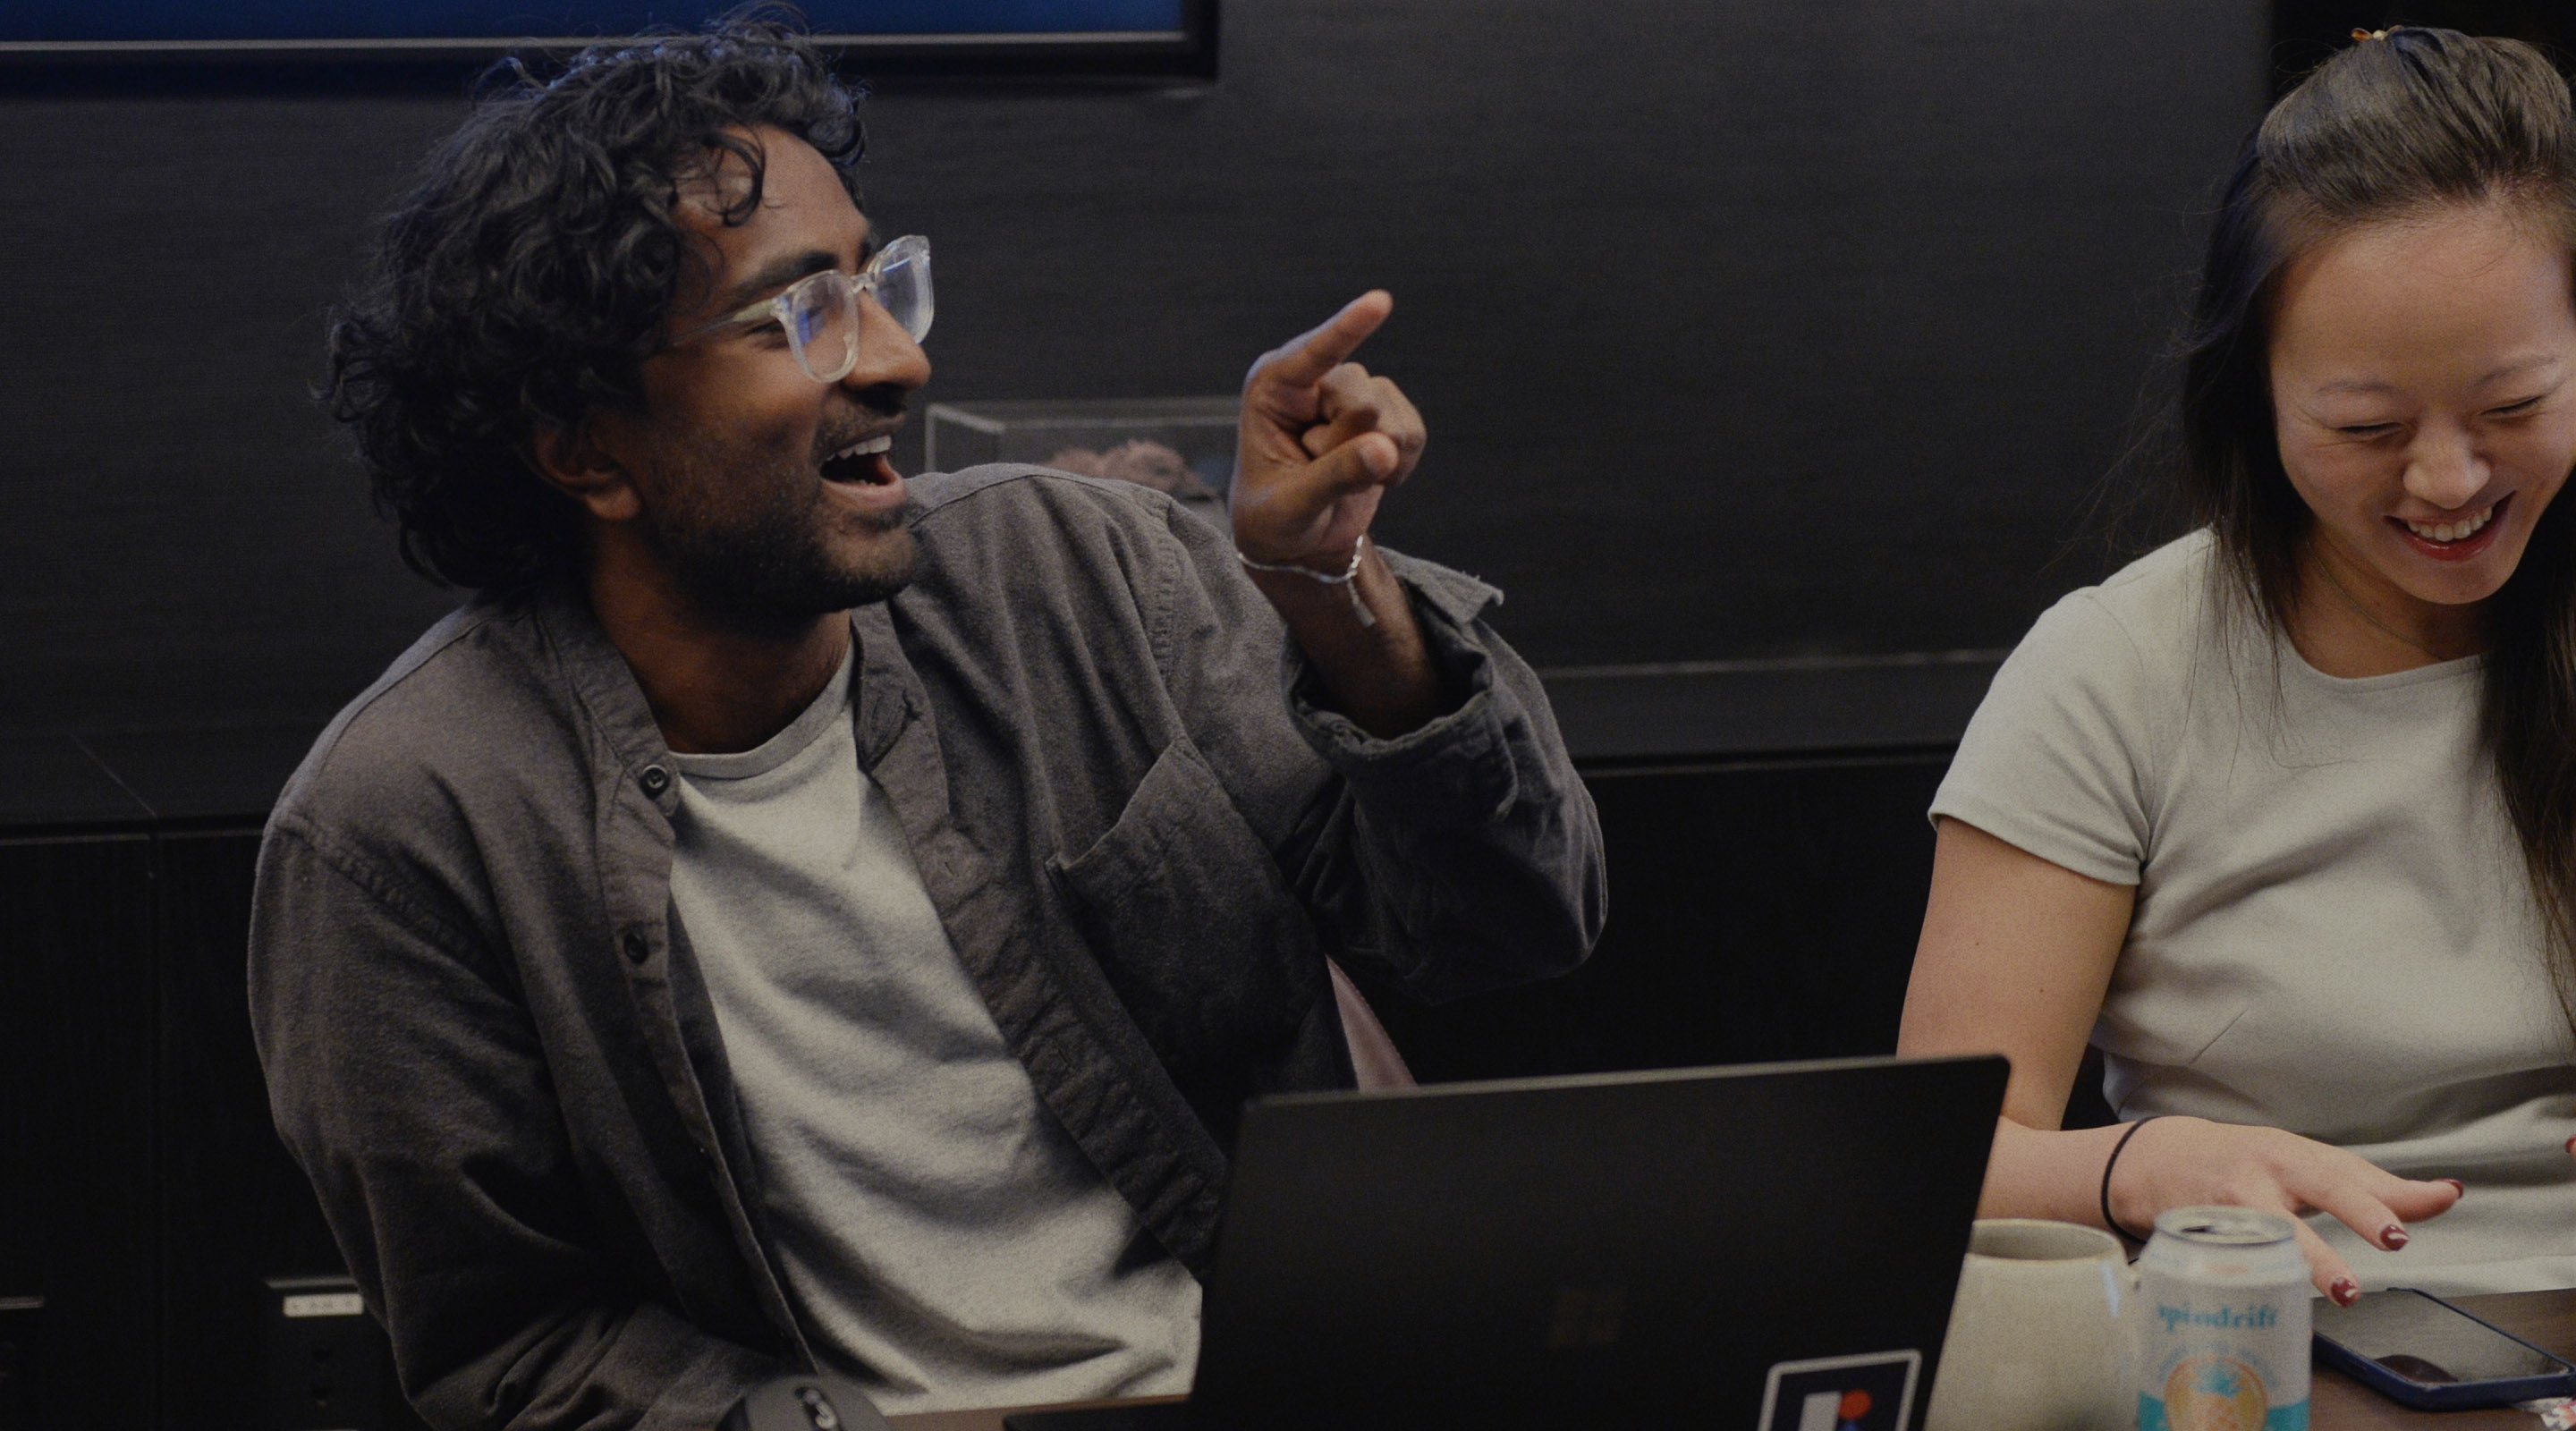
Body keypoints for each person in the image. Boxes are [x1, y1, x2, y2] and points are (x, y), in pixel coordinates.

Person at [247, 20, 1604, 1429]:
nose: (897, 358)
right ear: (585, 448)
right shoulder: (402, 830)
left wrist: (1335, 593)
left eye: (879, 283)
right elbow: (511, 1348)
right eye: (799, 314)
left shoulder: (1084, 573)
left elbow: (1514, 923)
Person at [1899, 25, 2576, 1303]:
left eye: (2514, 408)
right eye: (2366, 426)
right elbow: (1936, 1159)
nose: (2448, 479)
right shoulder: (2121, 673)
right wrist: (2144, 1167)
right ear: (2255, 398)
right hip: (2274, 1343)